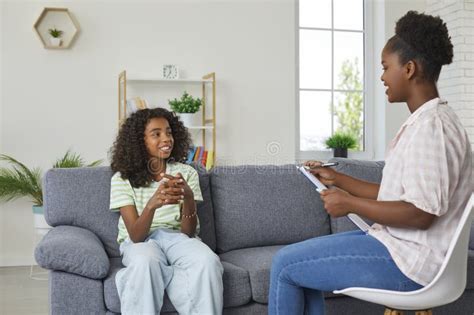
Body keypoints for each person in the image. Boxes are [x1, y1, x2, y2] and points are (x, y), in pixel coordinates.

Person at [269, 11, 472, 315]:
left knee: (285, 265)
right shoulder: (429, 122)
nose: (381, 77)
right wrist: (337, 180)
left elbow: (420, 214)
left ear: (409, 69)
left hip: (411, 264)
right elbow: (401, 196)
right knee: (300, 271)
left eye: (385, 67)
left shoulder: (432, 129)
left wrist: (349, 203)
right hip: (401, 249)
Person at [109, 107, 223, 315]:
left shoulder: (186, 173)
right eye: (156, 134)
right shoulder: (122, 178)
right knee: (146, 262)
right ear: (139, 140)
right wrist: (152, 204)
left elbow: (187, 233)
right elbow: (135, 236)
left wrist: (188, 198)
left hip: (177, 239)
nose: (166, 138)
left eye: (169, 132)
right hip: (141, 242)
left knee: (207, 260)